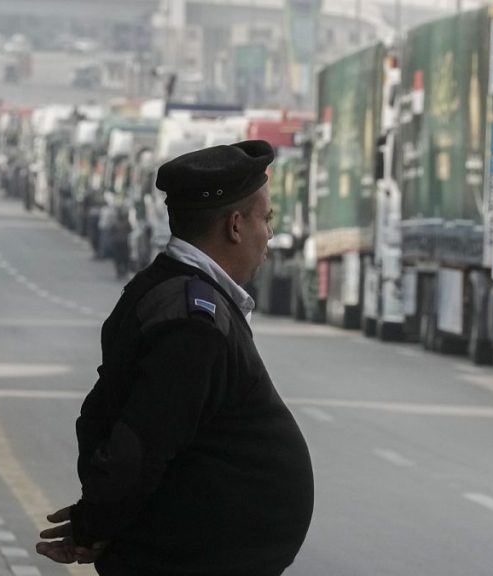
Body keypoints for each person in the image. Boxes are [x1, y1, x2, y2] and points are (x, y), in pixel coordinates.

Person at [36, 140, 314, 575]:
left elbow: (107, 416)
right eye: (267, 218)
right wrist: (95, 525)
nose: (271, 234)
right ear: (236, 226)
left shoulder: (173, 291)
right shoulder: (191, 321)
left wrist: (101, 521)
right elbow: (138, 443)